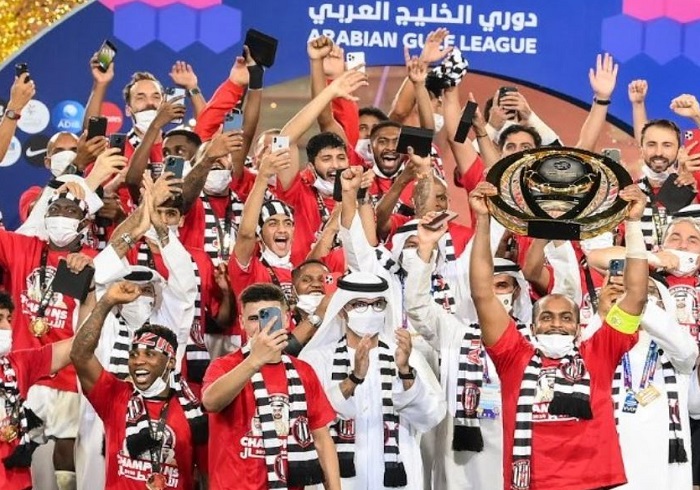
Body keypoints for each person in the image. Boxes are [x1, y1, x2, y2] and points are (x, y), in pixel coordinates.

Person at [469, 180, 649, 490]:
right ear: (532, 327)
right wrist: (484, 220)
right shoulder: (513, 354)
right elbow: (482, 292)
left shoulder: (600, 350)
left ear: (579, 327)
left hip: (593, 482)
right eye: (546, 317)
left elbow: (636, 295)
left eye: (566, 318)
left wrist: (633, 224)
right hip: (532, 483)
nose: (556, 323)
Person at [404, 213, 532, 490]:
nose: (495, 294)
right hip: (460, 458)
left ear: (516, 292)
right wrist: (425, 247)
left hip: (515, 448)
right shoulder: (456, 332)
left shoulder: (532, 340)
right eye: (490, 286)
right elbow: (416, 305)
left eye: (502, 286)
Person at [300, 271, 445, 490]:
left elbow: (429, 418)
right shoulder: (315, 360)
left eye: (378, 304)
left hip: (396, 478)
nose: (370, 311)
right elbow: (312, 421)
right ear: (342, 311)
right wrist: (354, 378)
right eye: (359, 305)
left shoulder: (408, 357)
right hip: (340, 480)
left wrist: (405, 372)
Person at [201, 283, 341, 490]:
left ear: (286, 319)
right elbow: (211, 403)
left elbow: (321, 439)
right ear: (241, 323)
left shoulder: (303, 371)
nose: (262, 327)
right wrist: (254, 360)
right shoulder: (224, 366)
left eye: (269, 318)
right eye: (253, 318)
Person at [71, 281, 207, 490]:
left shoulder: (194, 410)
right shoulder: (115, 396)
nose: (138, 361)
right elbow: (79, 355)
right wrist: (106, 302)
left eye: (150, 354)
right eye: (133, 354)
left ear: (170, 362)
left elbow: (207, 475)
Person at [587, 276, 696, 489]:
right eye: (627, 291)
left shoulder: (676, 349)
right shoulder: (604, 347)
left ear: (665, 304)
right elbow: (585, 363)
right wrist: (602, 315)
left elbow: (687, 353)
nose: (638, 295)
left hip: (665, 468)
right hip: (615, 463)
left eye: (650, 292)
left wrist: (637, 302)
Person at [0, 292, 74, 490]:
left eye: (9, 319)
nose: (7, 327)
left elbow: (77, 346)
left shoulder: (18, 364)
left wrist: (101, 302)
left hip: (18, 484)